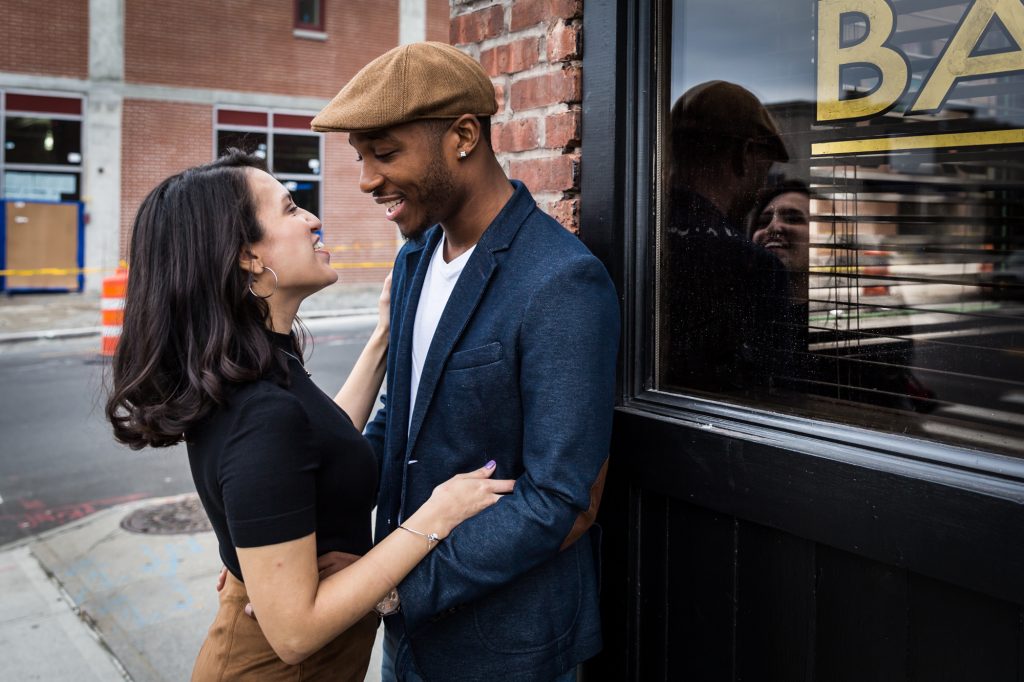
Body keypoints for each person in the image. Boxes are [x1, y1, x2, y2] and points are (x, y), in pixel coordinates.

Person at [105, 150, 514, 680]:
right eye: (292, 208)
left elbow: (319, 446)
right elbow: (294, 632)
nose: (314, 219)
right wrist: (435, 517)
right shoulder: (261, 412)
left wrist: (386, 336)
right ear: (248, 256)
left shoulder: (261, 366)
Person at [310, 42, 620, 681]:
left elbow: (559, 497)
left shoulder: (561, 280)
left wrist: (397, 585)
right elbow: (400, 421)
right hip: (406, 640)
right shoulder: (413, 259)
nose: (367, 179)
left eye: (386, 153)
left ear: (463, 136)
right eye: (360, 157)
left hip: (509, 650)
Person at [660, 80, 795, 393]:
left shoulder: (640, 236)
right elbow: (772, 394)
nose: (762, 186)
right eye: (765, 170)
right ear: (744, 155)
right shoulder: (753, 266)